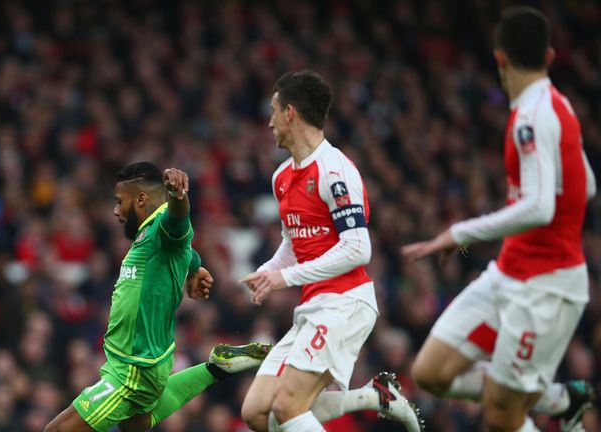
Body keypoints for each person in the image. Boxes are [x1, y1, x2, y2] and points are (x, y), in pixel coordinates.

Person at [402, 7, 597, 432]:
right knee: (430, 373)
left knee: (499, 418)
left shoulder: (531, 117)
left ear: (500, 58)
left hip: (545, 289)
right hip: (509, 273)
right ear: (548, 56)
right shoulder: (558, 107)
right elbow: (589, 185)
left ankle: (535, 402)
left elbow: (540, 207)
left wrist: (460, 234)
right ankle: (563, 400)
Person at [239, 70, 423, 432]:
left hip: (347, 302)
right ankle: (374, 397)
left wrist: (284, 278)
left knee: (288, 407)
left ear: (290, 113)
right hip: (313, 305)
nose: (270, 121)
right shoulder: (281, 177)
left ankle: (375, 396)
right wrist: (267, 271)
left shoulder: (335, 171)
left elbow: (358, 249)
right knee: (258, 412)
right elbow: (293, 245)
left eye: (273, 111)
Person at [45, 162, 271, 432]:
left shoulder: (164, 225)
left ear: (141, 199)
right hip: (146, 361)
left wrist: (178, 195)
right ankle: (216, 368)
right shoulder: (152, 233)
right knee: (136, 426)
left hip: (132, 370)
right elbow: (183, 247)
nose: (115, 211)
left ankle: (215, 370)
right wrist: (193, 267)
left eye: (119, 202)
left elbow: (179, 221)